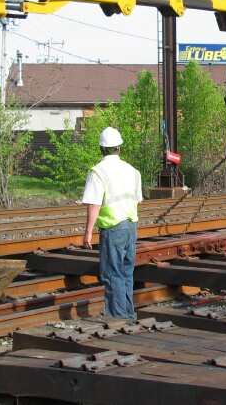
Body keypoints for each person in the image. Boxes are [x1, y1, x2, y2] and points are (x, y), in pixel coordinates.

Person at [82, 127, 143, 319]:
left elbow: (94, 204)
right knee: (126, 273)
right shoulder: (133, 171)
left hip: (112, 228)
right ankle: (128, 315)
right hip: (130, 227)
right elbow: (138, 199)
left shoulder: (98, 172)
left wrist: (88, 232)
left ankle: (118, 318)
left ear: (101, 148)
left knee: (112, 274)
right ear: (119, 148)